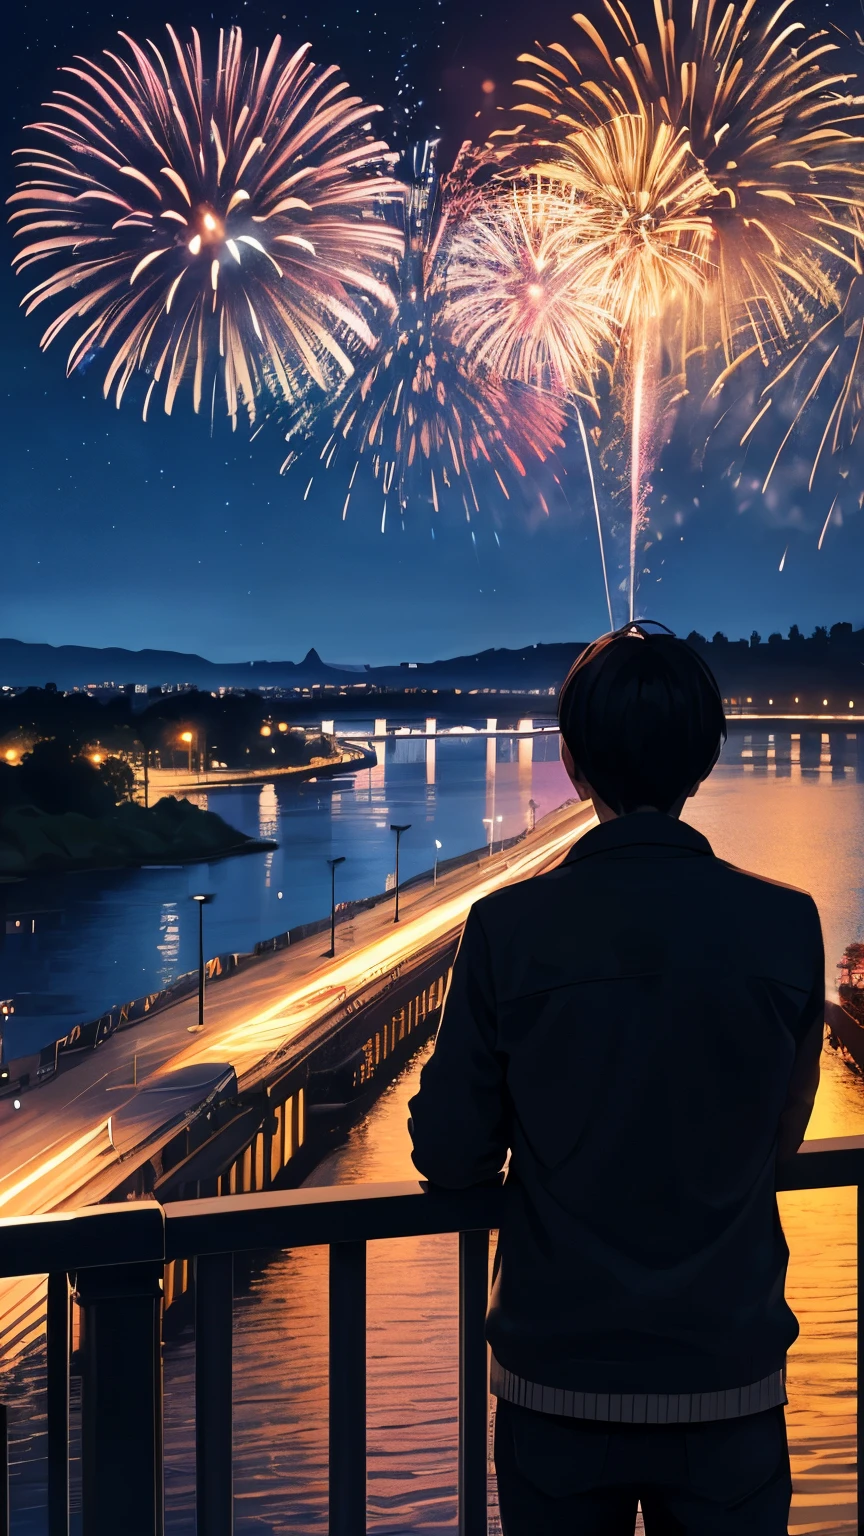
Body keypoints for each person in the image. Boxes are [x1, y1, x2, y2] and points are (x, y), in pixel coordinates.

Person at [408, 623, 824, 1535]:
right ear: (705, 761)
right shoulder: (788, 926)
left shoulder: (506, 928)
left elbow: (450, 1153)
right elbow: (780, 1130)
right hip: (730, 1374)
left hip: (557, 1382)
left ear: (572, 762)